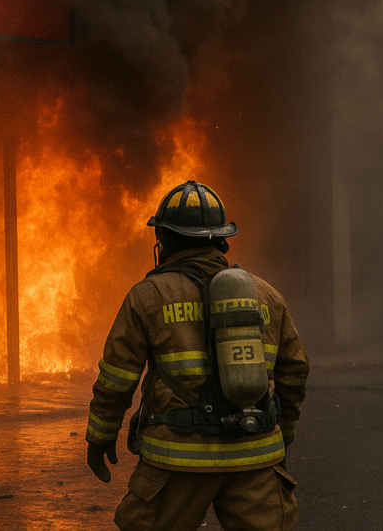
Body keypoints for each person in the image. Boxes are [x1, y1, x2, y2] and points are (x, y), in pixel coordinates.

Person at [85, 180, 309, 531]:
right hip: (255, 457)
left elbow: (116, 379)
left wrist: (100, 436)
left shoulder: (147, 296)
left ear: (165, 240)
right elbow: (295, 372)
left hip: (177, 461)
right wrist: (283, 432)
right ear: (222, 239)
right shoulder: (266, 296)